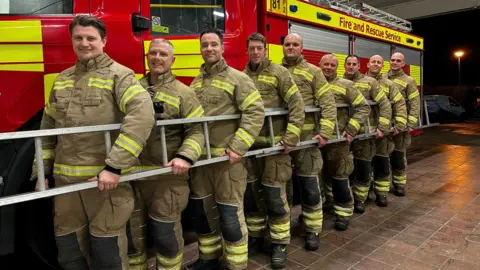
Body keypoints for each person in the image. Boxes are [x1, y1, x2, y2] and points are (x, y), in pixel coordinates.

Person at [31, 15, 155, 270]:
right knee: (69, 254)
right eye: (78, 37)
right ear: (72, 40)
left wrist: (114, 167)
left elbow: (142, 115)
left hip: (104, 186)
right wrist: (40, 173)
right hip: (65, 189)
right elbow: (46, 129)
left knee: (107, 257)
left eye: (91, 38)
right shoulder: (62, 79)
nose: (84, 43)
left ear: (103, 41)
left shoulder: (120, 76)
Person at [188, 28, 265, 270]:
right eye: (204, 45)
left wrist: (237, 148)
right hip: (201, 162)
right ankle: (208, 259)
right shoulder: (196, 82)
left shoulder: (238, 78)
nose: (209, 48)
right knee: (203, 214)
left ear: (222, 48)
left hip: (226, 162)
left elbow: (255, 113)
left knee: (230, 216)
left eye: (213, 44)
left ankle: (237, 264)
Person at [126, 39, 205, 270]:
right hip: (132, 178)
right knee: (133, 239)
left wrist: (185, 156)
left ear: (173, 60)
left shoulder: (185, 93)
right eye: (153, 53)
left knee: (166, 237)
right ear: (147, 57)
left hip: (166, 177)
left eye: (163, 54)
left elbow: (198, 131)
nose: (157, 58)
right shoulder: (133, 89)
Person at [242, 32, 305, 269]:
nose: (256, 52)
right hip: (251, 150)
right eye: (252, 48)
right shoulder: (243, 76)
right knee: (253, 196)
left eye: (260, 48)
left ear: (266, 50)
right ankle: (257, 237)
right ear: (247, 50)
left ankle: (279, 243)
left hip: (275, 149)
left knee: (275, 197)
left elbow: (297, 105)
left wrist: (290, 137)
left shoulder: (280, 73)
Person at [281, 33, 337, 251]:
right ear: (282, 47)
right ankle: (281, 230)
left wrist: (324, 133)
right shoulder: (277, 71)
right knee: (283, 189)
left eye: (295, 44)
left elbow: (328, 103)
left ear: (301, 48)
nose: (291, 47)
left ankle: (312, 231)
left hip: (306, 141)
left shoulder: (314, 72)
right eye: (288, 44)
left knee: (310, 187)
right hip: (283, 141)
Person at [319, 54, 370, 230]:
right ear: (320, 65)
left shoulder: (346, 85)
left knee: (340, 176)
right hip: (315, 141)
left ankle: (343, 213)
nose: (328, 67)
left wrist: (350, 130)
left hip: (337, 141)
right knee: (320, 176)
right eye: (325, 64)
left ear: (337, 67)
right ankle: (327, 204)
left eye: (332, 65)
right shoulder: (313, 84)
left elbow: (364, 107)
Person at [343, 55, 392, 213]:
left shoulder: (370, 82)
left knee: (363, 167)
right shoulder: (338, 82)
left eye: (354, 64)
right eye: (348, 64)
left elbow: (385, 104)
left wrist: (382, 126)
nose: (351, 66)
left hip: (364, 133)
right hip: (343, 134)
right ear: (345, 66)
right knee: (343, 169)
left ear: (359, 66)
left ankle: (360, 199)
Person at [365, 55, 407, 206]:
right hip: (364, 131)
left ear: (383, 66)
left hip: (383, 131)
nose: (376, 64)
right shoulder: (359, 82)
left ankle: (381, 193)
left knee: (382, 161)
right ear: (368, 64)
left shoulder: (389, 84)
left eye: (379, 62)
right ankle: (365, 191)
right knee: (365, 163)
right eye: (373, 61)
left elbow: (400, 104)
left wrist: (399, 124)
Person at [386, 52, 420, 196]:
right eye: (393, 60)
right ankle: (384, 184)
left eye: (398, 60)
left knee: (398, 155)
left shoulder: (409, 80)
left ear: (403, 64)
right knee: (383, 155)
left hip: (401, 124)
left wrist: (411, 122)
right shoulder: (382, 78)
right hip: (385, 123)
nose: (394, 63)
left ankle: (399, 184)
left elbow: (414, 102)